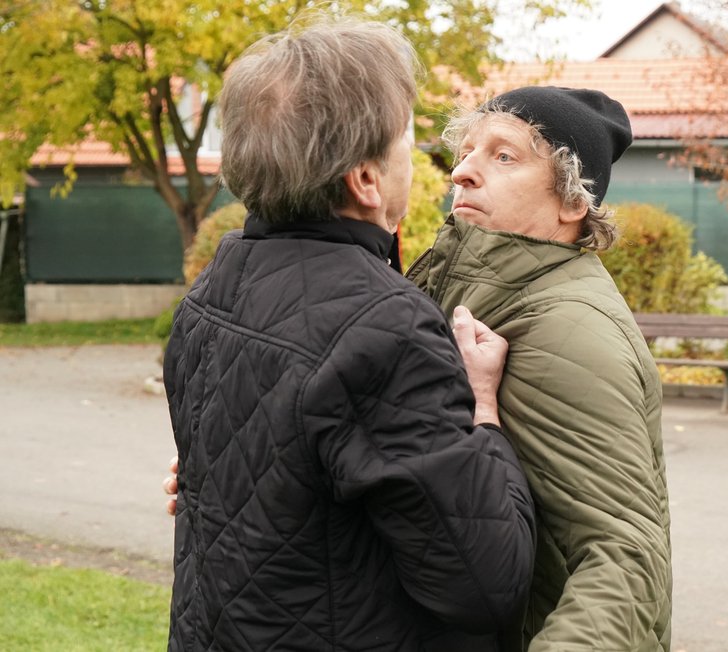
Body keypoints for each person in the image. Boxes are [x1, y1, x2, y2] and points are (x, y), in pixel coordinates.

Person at [162, 15, 535, 651]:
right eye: (409, 145)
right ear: (365, 180)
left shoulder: (215, 285)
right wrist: (484, 412)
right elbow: (484, 580)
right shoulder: (385, 328)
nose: (431, 168)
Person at [405, 86, 673, 651]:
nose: (463, 173)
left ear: (574, 203)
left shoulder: (567, 328)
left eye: (504, 156)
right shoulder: (465, 291)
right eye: (467, 151)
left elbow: (624, 558)